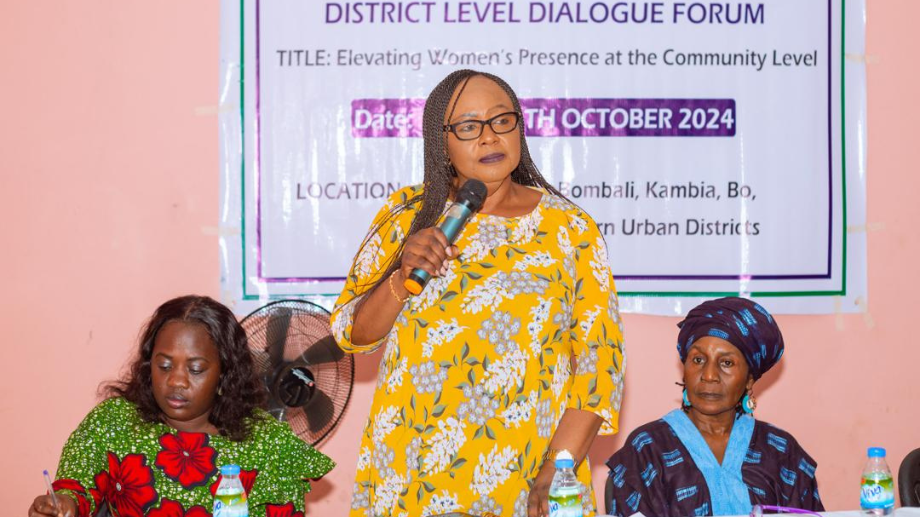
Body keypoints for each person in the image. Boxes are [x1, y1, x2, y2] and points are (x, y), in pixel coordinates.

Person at [331, 69, 626, 517]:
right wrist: (401, 275)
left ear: (519, 128)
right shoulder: (408, 215)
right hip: (414, 471)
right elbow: (352, 333)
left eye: (500, 120)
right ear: (441, 142)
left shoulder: (569, 229)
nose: (489, 137)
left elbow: (598, 366)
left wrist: (558, 468)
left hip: (529, 470)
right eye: (468, 126)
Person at [28, 295, 335, 517]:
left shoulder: (268, 443)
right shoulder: (114, 422)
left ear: (225, 372)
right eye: (163, 366)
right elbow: (76, 486)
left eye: (196, 369)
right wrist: (64, 503)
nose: (176, 381)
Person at [605, 297, 824, 517]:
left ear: (749, 380)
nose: (709, 375)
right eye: (698, 360)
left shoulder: (781, 452)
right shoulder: (647, 449)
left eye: (726, 363)